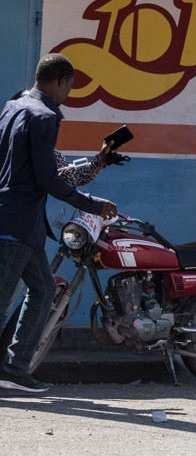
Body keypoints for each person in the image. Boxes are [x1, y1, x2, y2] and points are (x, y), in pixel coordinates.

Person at [0, 54, 118, 393]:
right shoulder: (44, 116)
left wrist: (99, 162)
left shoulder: (14, 108)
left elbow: (57, 171)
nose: (68, 95)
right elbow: (50, 179)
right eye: (69, 87)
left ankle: (14, 368)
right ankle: (11, 369)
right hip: (15, 224)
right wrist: (94, 204)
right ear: (61, 81)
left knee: (44, 288)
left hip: (21, 223)